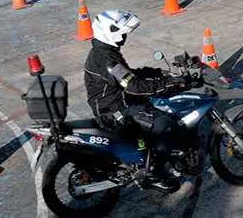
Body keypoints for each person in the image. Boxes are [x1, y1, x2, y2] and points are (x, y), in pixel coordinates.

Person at [84, 10, 196, 191]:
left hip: (113, 106)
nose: (124, 37)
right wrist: (170, 83)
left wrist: (157, 73)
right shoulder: (107, 60)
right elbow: (134, 86)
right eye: (122, 34)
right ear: (110, 33)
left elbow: (128, 75)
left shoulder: (104, 52)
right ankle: (155, 174)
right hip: (116, 112)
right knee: (164, 124)